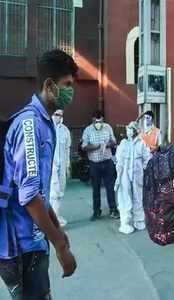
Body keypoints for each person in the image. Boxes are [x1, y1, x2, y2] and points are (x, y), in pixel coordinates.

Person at [0, 49, 77, 299]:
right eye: (67, 85)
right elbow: (30, 196)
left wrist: (55, 227)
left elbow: (39, 192)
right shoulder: (31, 125)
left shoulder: (43, 122)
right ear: (49, 85)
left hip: (31, 240)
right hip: (21, 245)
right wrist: (60, 245)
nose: (70, 92)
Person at [114, 121, 151, 234]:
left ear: (135, 131)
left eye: (131, 129)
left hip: (137, 175)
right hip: (125, 174)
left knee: (138, 198)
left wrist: (144, 172)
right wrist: (118, 177)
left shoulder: (141, 144)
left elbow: (147, 159)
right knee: (125, 199)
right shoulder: (123, 143)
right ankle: (125, 223)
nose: (129, 131)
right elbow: (119, 161)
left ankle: (139, 221)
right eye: (128, 128)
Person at [82, 110, 119, 221]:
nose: (99, 124)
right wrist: (95, 147)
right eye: (96, 122)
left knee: (110, 187)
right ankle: (96, 211)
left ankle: (113, 209)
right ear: (93, 120)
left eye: (100, 121)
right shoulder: (88, 130)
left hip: (107, 162)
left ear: (103, 119)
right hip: (94, 164)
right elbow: (84, 146)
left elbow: (114, 142)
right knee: (96, 188)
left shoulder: (107, 127)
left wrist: (107, 145)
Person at [50, 109, 71, 227]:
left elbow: (67, 149)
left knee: (60, 191)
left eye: (60, 115)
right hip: (51, 165)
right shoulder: (47, 128)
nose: (58, 117)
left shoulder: (65, 131)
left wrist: (68, 166)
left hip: (62, 165)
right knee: (54, 192)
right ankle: (52, 219)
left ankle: (55, 216)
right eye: (56, 114)